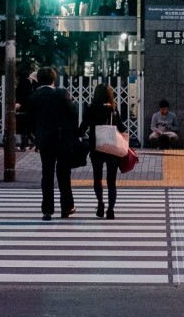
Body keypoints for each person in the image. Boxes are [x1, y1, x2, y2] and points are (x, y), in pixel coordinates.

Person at [24, 67, 78, 220]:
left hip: (45, 140)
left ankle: (47, 210)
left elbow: (29, 120)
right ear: (54, 79)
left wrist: (36, 136)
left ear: (38, 80)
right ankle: (67, 207)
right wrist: (73, 133)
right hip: (62, 139)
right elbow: (72, 114)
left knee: (47, 174)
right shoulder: (61, 93)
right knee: (63, 174)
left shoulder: (34, 97)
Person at [81, 82, 122, 219]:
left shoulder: (91, 109)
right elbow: (122, 128)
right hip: (111, 147)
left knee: (97, 178)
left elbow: (82, 129)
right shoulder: (114, 110)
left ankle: (100, 204)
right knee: (111, 180)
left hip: (96, 147)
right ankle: (111, 210)